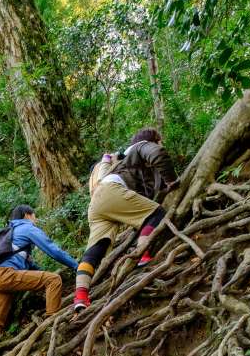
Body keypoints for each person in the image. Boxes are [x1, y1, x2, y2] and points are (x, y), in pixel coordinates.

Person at [73, 128, 178, 312]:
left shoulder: (125, 164)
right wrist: (173, 180)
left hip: (96, 203)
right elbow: (158, 154)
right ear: (152, 140)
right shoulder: (140, 147)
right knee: (156, 214)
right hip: (112, 191)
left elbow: (151, 190)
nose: (161, 144)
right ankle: (143, 255)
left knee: (96, 250)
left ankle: (80, 297)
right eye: (160, 140)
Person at [0, 205, 78, 356]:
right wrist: (76, 265)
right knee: (53, 280)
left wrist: (40, 273)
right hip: (7, 275)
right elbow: (53, 250)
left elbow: (30, 265)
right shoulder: (26, 228)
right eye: (35, 216)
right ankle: (52, 328)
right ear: (27, 215)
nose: (36, 219)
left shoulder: (10, 233)